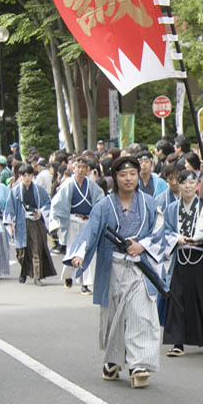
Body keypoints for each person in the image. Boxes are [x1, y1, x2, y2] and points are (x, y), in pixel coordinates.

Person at [64, 156, 171, 389]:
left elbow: (160, 232)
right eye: (123, 175)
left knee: (141, 314)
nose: (129, 178)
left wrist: (142, 245)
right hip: (112, 265)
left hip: (141, 267)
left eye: (132, 173)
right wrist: (80, 253)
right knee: (114, 317)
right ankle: (113, 359)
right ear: (115, 178)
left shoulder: (150, 204)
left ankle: (139, 364)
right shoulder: (104, 205)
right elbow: (91, 230)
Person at [162, 170, 203, 357]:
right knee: (177, 299)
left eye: (192, 183)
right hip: (181, 257)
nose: (188, 186)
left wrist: (202, 239)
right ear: (178, 185)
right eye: (184, 183)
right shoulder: (172, 209)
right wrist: (177, 238)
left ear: (197, 184)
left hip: (202, 256)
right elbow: (165, 231)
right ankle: (177, 342)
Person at [51, 156, 105, 294]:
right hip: (73, 221)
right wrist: (57, 222)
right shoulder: (68, 184)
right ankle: (68, 275)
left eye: (83, 167)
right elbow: (57, 204)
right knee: (72, 251)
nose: (80, 170)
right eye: (78, 167)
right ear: (73, 168)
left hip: (87, 221)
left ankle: (85, 284)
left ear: (87, 169)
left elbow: (100, 201)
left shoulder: (92, 185)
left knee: (87, 252)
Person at [6, 164, 56, 285]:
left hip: (36, 222)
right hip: (20, 222)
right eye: (24, 175)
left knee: (36, 249)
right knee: (21, 252)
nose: (27, 178)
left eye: (29, 175)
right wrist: (10, 224)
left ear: (32, 176)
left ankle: (37, 276)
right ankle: (24, 272)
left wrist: (41, 212)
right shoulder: (15, 192)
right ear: (20, 176)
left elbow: (48, 204)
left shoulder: (39, 190)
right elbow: (9, 209)